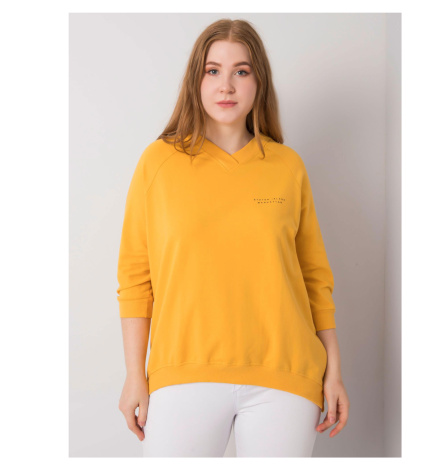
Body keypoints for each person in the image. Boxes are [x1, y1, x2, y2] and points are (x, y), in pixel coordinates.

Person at [117, 18, 350, 457]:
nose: (226, 85)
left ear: (259, 82)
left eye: (241, 71)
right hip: (183, 373)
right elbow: (135, 278)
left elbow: (315, 280)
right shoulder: (158, 162)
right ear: (196, 80)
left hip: (285, 378)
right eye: (213, 71)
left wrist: (333, 371)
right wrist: (134, 375)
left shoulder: (287, 166)